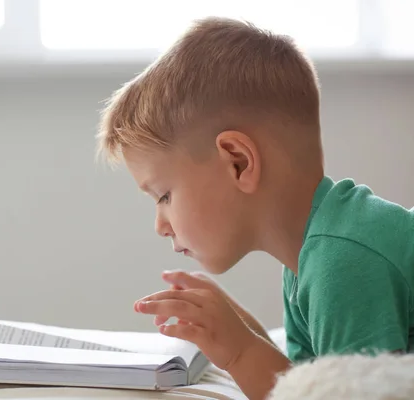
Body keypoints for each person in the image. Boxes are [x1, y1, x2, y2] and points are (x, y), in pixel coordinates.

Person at [94, 16, 414, 400]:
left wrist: (240, 350)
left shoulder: (345, 260)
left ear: (238, 162)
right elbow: (303, 382)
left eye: (164, 196)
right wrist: (244, 329)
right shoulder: (310, 257)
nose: (160, 225)